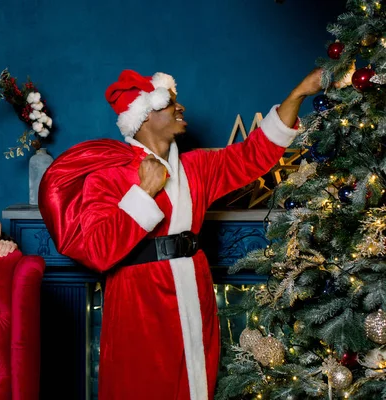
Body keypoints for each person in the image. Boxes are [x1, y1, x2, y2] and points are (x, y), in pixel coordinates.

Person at [39, 68, 323, 399]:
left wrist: (298, 93)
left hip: (193, 288)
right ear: (143, 117)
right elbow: (99, 250)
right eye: (169, 103)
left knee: (194, 384)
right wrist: (144, 193)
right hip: (138, 299)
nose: (180, 107)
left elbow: (253, 154)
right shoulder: (108, 177)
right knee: (142, 387)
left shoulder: (196, 167)